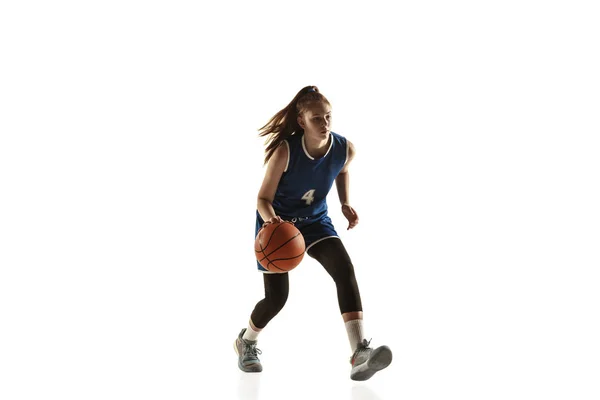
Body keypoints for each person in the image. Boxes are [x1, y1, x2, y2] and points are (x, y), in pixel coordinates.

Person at [234, 85, 392, 381]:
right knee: (277, 299)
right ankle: (247, 342)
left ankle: (359, 353)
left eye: (328, 116)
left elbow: (342, 169)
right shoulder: (285, 151)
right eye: (317, 118)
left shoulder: (345, 148)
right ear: (302, 122)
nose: (325, 123)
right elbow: (262, 200)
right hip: (279, 224)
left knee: (344, 270)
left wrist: (344, 202)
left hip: (315, 221)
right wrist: (273, 224)